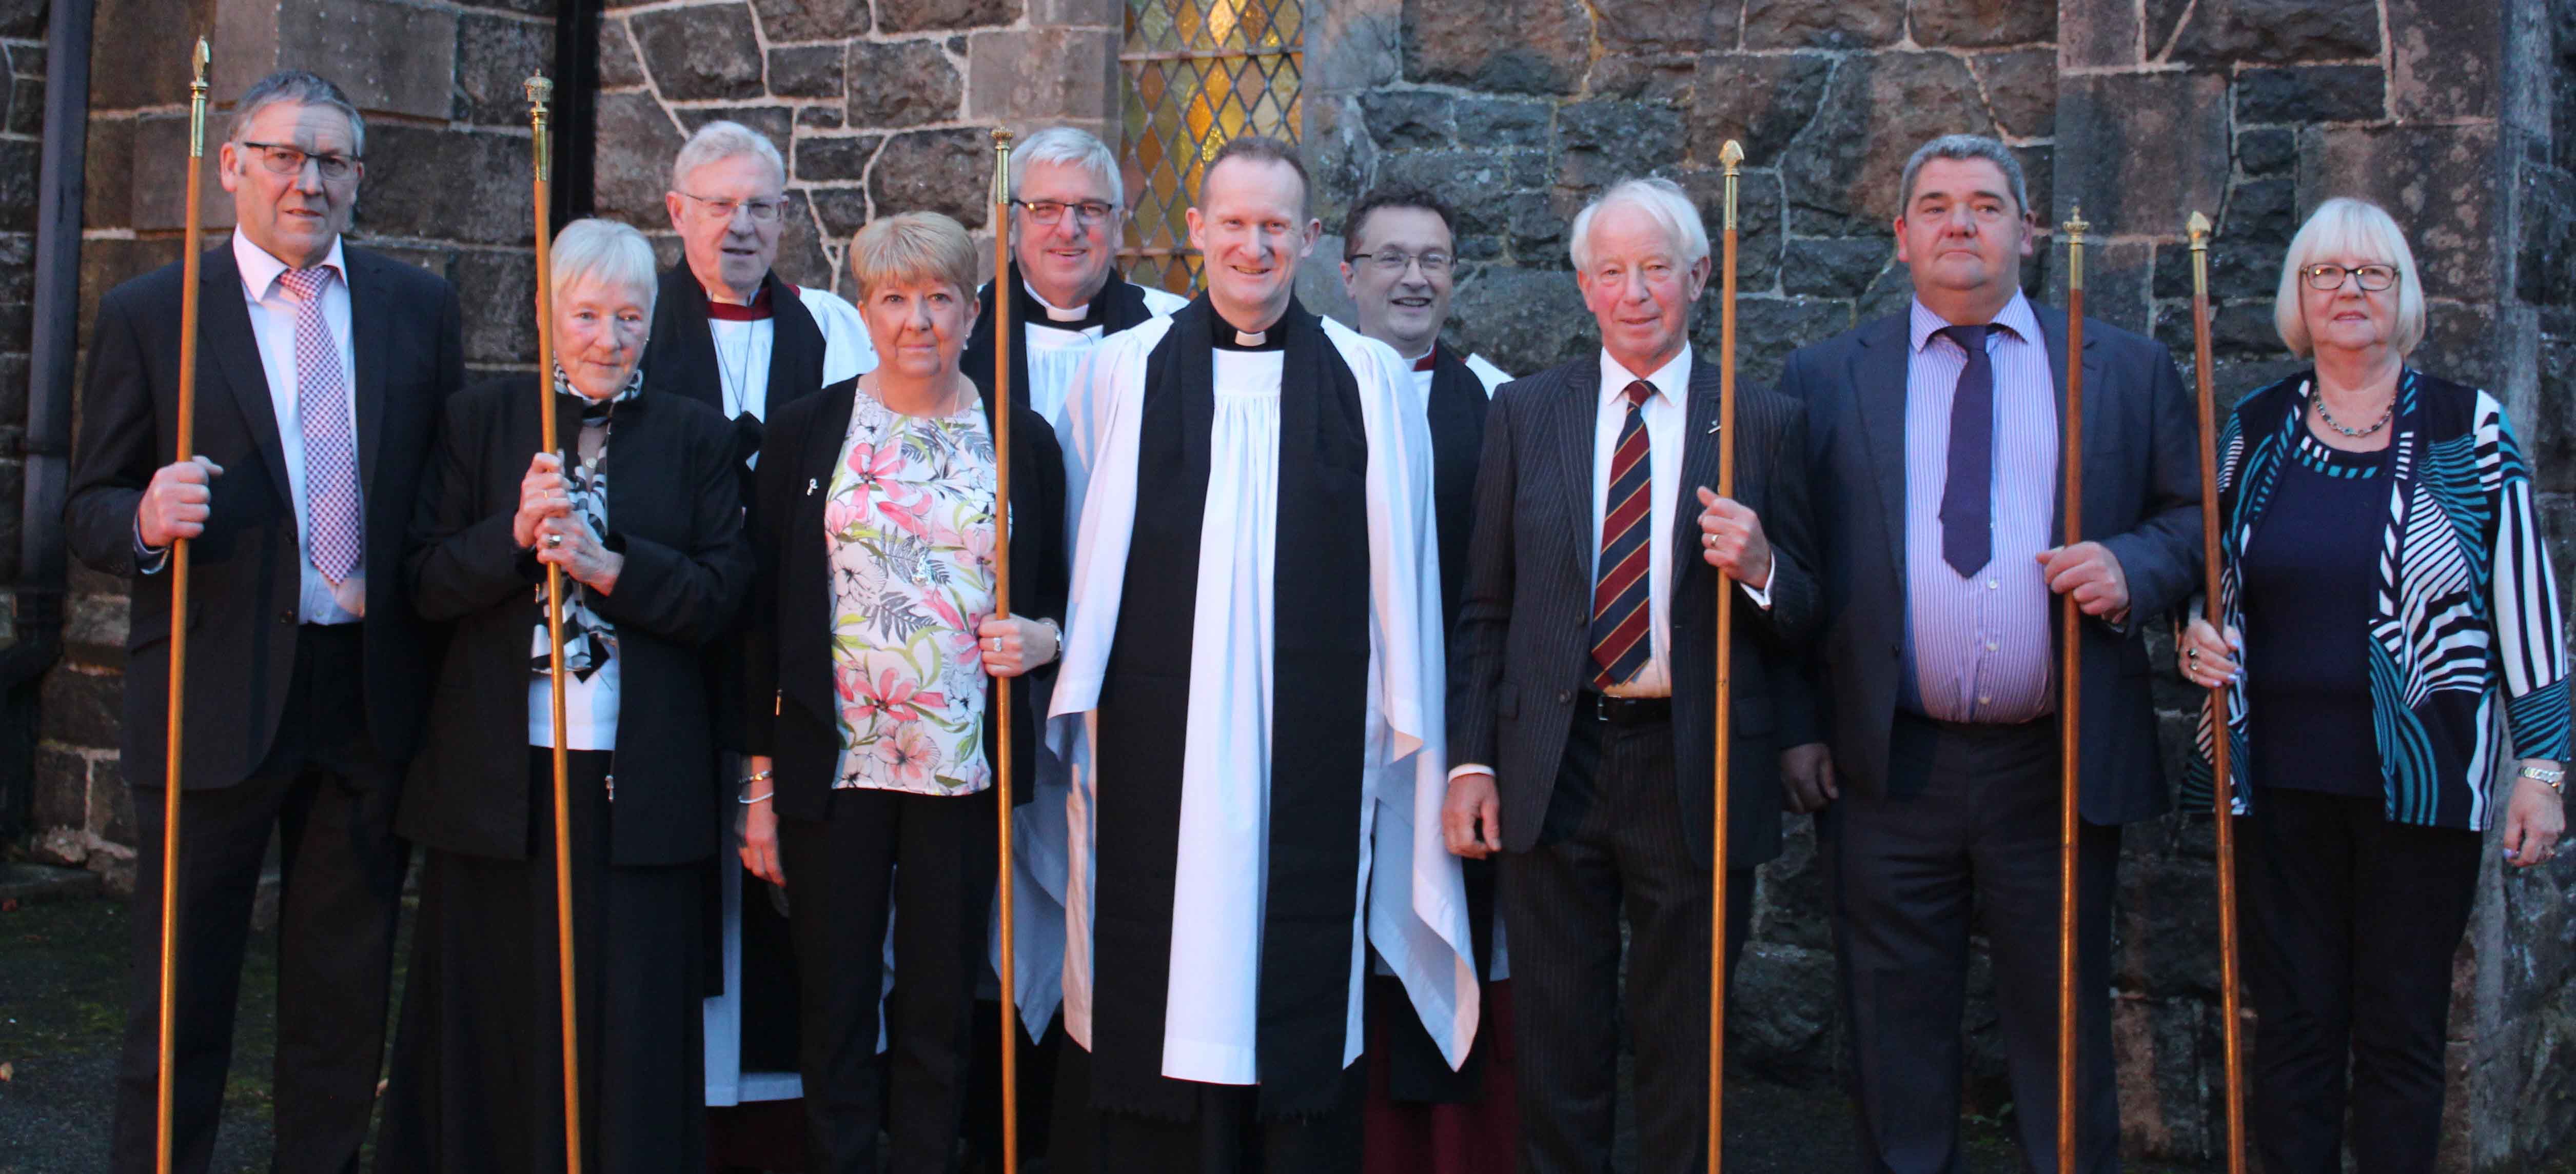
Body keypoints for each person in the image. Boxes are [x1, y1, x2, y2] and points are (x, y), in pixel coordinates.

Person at [1763, 133, 2202, 1171]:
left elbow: (2195, 519)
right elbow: (1792, 562)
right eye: (1939, 205)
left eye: (1989, 204)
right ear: (1904, 236)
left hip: (2052, 762)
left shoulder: (2124, 365)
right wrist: (1798, 728)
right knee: (1892, 1030)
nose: (1963, 222)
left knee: (2059, 1029)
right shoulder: (1825, 377)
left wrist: (2134, 566)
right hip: (1886, 762)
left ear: (2029, 232)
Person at [1045, 135, 1473, 1173]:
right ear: (1194, 232)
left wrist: (1409, 722)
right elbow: (1079, 561)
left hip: (1312, 748)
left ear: (1312, 240)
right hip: (1152, 744)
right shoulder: (1119, 374)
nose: (1252, 244)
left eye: (1274, 225)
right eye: (1232, 223)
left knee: (1294, 981)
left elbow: (1403, 583)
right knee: (1155, 975)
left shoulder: (1369, 383)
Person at [63, 69, 464, 1174]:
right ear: (232, 163)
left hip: (368, 694)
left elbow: (439, 493)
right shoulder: (155, 314)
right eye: (287, 155)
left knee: (343, 991)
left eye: (333, 160)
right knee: (183, 988)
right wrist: (143, 511)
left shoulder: (416, 308)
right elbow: (82, 506)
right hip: (212, 690)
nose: (310, 180)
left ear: (359, 180)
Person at [2176, 196, 2568, 1173]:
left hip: (2424, 787)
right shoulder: (2255, 428)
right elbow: (2214, 576)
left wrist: (2544, 768)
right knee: (2295, 1028)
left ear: (2402, 296)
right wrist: (2192, 630)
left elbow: (2526, 602)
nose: (2347, 290)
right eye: (2325, 274)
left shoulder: (2466, 426)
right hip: (2274, 781)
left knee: (2398, 1031)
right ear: (2298, 298)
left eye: (2370, 274)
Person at [1443, 176, 1820, 1174]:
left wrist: (1766, 567)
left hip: (1688, 763)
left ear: (1699, 276)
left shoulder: (1762, 422)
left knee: (1681, 1045)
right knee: (1560, 1042)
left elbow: (1816, 614)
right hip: (1551, 758)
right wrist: (1470, 760)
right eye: (1612, 271)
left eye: (1656, 267)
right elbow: (1486, 609)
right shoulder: (1526, 414)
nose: (1636, 290)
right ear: (1584, 288)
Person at [378, 217, 751, 1172]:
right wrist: (510, 538)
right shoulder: (479, 421)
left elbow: (721, 599)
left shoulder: (695, 437)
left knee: (626, 1011)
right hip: (500, 780)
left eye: (629, 316)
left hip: (639, 784)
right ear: (550, 316)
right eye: (586, 314)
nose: (608, 338)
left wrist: (612, 566)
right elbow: (422, 583)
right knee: (500, 1003)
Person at [735, 210, 1068, 1174]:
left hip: (959, 768)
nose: (917, 319)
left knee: (935, 1007)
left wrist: (1042, 639)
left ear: (972, 311)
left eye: (939, 298)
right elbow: (762, 611)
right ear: (867, 311)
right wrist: (758, 779)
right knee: (834, 1005)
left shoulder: (1021, 440)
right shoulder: (808, 430)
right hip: (834, 767)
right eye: (894, 298)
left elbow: (1061, 596)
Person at [953, 123, 1189, 1167]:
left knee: (1111, 911)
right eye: (1044, 208)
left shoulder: (1176, 339)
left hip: (1126, 687)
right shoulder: (955, 338)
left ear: (1121, 223)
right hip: (981, 680)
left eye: (1088, 208)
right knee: (990, 917)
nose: (1066, 227)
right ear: (1011, 223)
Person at [639, 117, 875, 1123]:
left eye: (761, 206)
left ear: (786, 215)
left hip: (790, 627)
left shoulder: (829, 327)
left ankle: (778, 1106)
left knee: (787, 860)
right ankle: (675, 1090)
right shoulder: (636, 313)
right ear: (676, 210)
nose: (740, 225)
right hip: (671, 632)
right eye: (719, 204)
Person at [1334, 182, 1518, 1174]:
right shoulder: (1301, 383)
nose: (1413, 278)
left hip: (1446, 728)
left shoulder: (1495, 401)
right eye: (1391, 257)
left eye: (1433, 259)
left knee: (1437, 927)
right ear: (1348, 271)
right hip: (1316, 722)